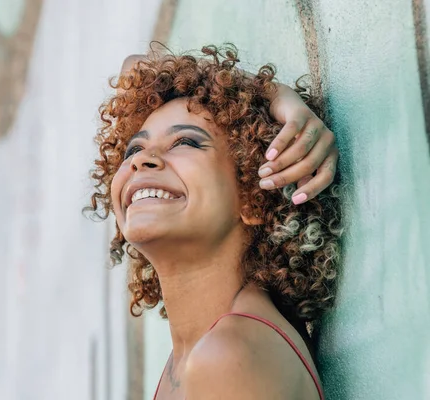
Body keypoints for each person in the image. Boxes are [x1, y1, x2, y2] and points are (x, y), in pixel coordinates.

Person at [88, 44, 342, 400]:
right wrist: (271, 93)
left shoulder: (225, 355)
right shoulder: (204, 349)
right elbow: (135, 67)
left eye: (186, 142)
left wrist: (270, 101)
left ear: (253, 197)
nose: (143, 160)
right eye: (134, 149)